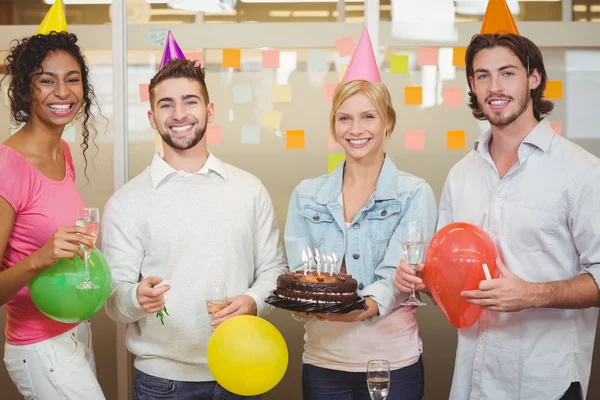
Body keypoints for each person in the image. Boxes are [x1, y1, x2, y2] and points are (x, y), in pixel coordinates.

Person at [394, 21, 600, 400]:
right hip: (473, 380)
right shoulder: (460, 175)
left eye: (508, 73)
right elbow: (453, 270)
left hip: (545, 382)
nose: (495, 88)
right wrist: (428, 279)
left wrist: (532, 294)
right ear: (472, 85)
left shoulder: (582, 172)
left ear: (534, 78)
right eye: (482, 75)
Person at [101, 52, 288, 399]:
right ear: (152, 117)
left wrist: (252, 301)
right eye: (166, 105)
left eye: (190, 101)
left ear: (210, 110)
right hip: (162, 383)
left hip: (243, 369)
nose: (180, 115)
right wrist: (136, 297)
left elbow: (275, 270)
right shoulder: (127, 203)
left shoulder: (248, 189)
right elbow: (112, 299)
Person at [284, 28, 437, 400]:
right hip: (323, 362)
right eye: (344, 118)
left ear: (388, 122)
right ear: (333, 125)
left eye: (368, 117)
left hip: (391, 363)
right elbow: (304, 275)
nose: (356, 130)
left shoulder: (414, 193)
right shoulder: (307, 195)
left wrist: (362, 308)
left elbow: (396, 279)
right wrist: (308, 302)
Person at [0, 30, 105, 398]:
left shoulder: (64, 153)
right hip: (39, 347)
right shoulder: (7, 166)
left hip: (75, 332)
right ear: (26, 91)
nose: (63, 92)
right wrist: (40, 259)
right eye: (47, 81)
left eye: (72, 80)